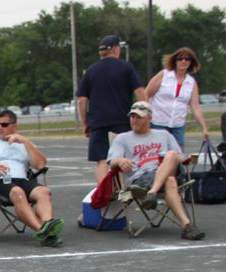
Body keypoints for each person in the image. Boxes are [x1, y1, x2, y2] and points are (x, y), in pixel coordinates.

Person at [108, 101, 203, 240]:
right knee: (170, 181)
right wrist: (120, 161)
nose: (134, 120)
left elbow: (180, 157)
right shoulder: (122, 138)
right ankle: (187, 226)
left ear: (149, 119)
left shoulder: (164, 135)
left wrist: (186, 159)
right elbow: (111, 163)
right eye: (132, 116)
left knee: (171, 155)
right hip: (141, 179)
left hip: (163, 173)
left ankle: (152, 193)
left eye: (139, 117)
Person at [0, 110, 64, 247]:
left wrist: (25, 142)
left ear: (14, 125)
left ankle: (47, 223)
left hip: (21, 180)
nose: (0, 128)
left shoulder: (24, 144)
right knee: (17, 192)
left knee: (43, 191)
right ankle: (42, 231)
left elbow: (40, 165)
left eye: (4, 124)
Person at [77, 35, 145, 183]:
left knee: (102, 160)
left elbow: (82, 100)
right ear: (115, 49)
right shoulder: (126, 67)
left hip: (98, 121)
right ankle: (124, 188)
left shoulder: (91, 71)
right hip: (122, 120)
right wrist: (145, 113)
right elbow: (139, 91)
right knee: (123, 156)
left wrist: (85, 123)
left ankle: (104, 191)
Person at [144, 47, 211, 149]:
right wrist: (145, 116)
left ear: (191, 62)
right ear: (175, 61)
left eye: (187, 59)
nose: (183, 61)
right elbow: (146, 94)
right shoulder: (164, 75)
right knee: (157, 154)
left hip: (177, 126)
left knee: (178, 155)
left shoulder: (191, 82)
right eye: (180, 58)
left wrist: (204, 128)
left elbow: (195, 107)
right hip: (157, 123)